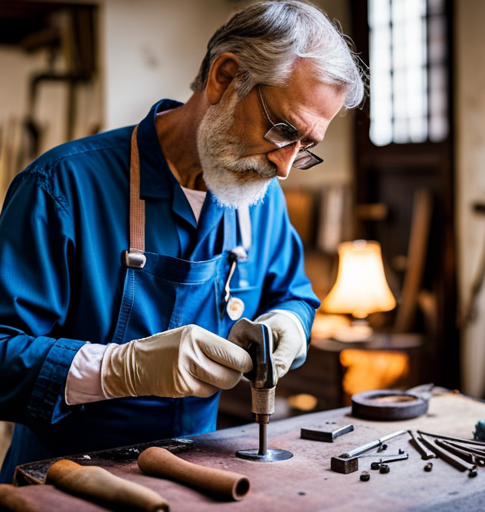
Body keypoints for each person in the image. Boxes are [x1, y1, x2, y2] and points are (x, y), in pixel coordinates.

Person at [0, 0, 364, 483]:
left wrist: (288, 327)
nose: (283, 167)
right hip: (62, 480)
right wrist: (117, 369)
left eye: (306, 148)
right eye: (282, 131)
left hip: (195, 477)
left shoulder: (259, 198)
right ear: (226, 77)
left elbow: (294, 293)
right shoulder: (62, 187)